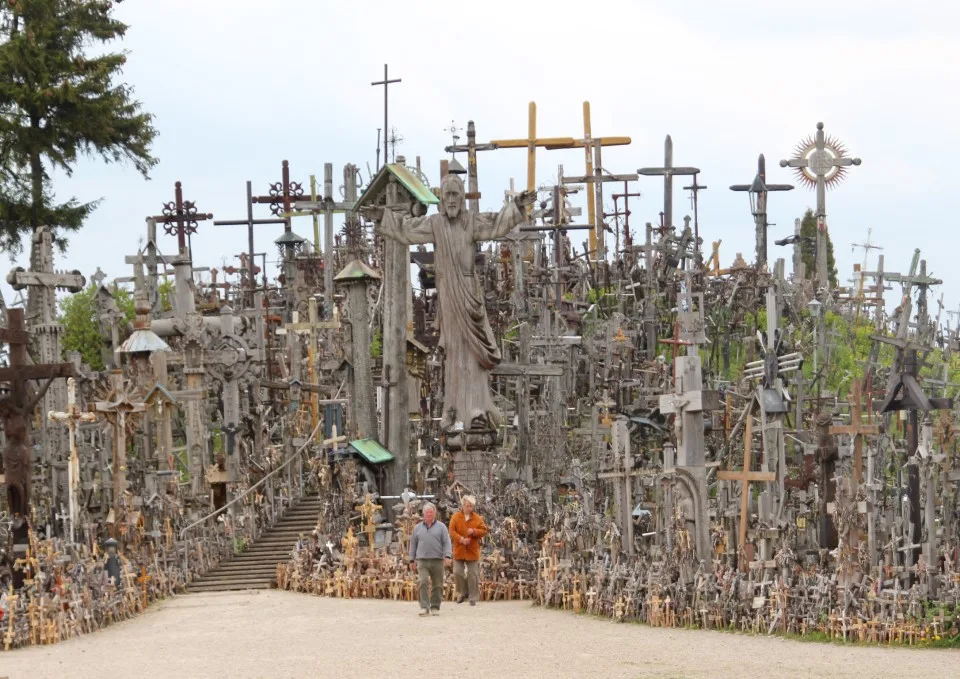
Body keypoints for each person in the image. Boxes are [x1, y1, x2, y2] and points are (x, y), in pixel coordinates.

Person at [372, 174, 536, 431]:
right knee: (455, 352)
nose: (451, 200)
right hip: (449, 295)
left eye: (455, 195)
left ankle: (479, 407)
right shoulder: (435, 224)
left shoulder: (471, 221)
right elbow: (408, 230)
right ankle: (456, 408)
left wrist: (516, 207)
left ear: (462, 199)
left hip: (469, 294)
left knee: (474, 354)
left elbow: (495, 225)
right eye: (446, 195)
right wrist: (384, 217)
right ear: (440, 199)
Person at [408, 502, 452, 616]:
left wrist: (448, 556)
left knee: (438, 584)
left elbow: (447, 542)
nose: (429, 514)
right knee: (423, 581)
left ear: (434, 514)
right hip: (422, 560)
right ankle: (424, 607)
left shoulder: (442, 527)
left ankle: (435, 607)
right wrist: (411, 560)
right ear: (423, 514)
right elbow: (413, 544)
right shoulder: (417, 528)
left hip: (437, 560)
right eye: (427, 512)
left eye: (431, 512)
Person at [448, 495, 487, 606]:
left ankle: (473, 597)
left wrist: (474, 531)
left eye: (471, 506)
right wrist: (461, 539)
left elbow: (484, 530)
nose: (469, 508)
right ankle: (462, 592)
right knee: (457, 572)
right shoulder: (455, 517)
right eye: (467, 505)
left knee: (473, 574)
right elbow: (451, 531)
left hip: (472, 551)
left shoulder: (477, 518)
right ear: (463, 505)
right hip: (459, 550)